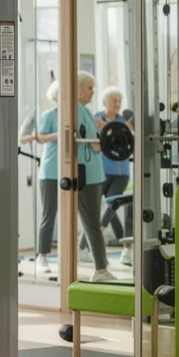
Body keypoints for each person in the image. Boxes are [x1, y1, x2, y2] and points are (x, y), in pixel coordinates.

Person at [73, 72, 114, 282]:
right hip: (87, 174)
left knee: (92, 222)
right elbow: (93, 142)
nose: (92, 92)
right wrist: (104, 143)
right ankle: (100, 270)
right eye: (90, 88)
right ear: (79, 88)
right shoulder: (76, 111)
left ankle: (99, 267)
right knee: (92, 223)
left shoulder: (85, 111)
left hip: (95, 173)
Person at [25, 81, 60, 276]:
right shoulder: (49, 115)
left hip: (70, 170)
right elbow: (39, 136)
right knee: (49, 215)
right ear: (55, 97)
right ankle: (42, 256)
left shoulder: (73, 114)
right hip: (50, 171)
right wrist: (59, 134)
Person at [94, 87, 132, 244]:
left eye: (120, 101)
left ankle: (98, 231)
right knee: (108, 206)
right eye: (114, 101)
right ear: (105, 102)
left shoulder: (123, 121)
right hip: (101, 169)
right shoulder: (96, 118)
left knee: (113, 203)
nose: (118, 104)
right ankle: (122, 238)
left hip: (121, 170)